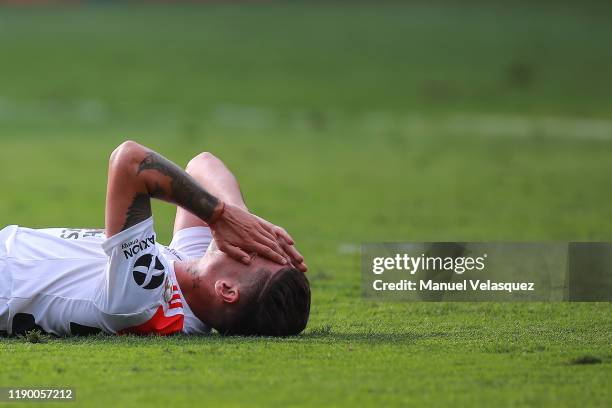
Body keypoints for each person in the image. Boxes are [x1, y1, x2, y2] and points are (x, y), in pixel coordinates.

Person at [0, 141, 310, 337]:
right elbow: (203, 163)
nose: (250, 241)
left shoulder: (145, 300)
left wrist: (221, 215)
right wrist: (238, 213)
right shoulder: (193, 283)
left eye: (255, 255)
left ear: (227, 290)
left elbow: (130, 161)